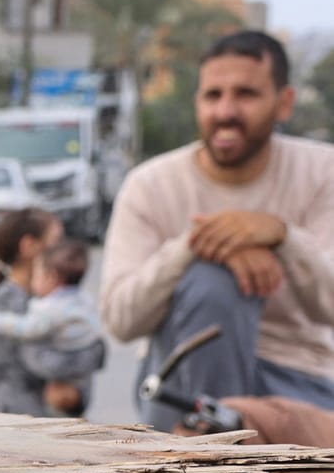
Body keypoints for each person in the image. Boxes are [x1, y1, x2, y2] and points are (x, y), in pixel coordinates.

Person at [101, 30, 334, 427]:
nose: (226, 111)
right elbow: (121, 320)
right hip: (181, 385)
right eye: (213, 96)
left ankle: (212, 455)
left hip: (295, 380)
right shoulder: (150, 185)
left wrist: (281, 236)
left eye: (246, 94)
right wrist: (197, 246)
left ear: (285, 103)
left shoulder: (323, 172)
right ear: (197, 103)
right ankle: (212, 455)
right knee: (211, 280)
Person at [0, 237, 103, 417]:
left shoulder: (50, 308)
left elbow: (28, 330)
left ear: (51, 277)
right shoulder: (82, 299)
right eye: (54, 238)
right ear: (28, 246)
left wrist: (1, 322)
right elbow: (42, 362)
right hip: (24, 412)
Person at [0, 206, 63, 416]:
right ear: (29, 246)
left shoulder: (35, 297)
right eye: (56, 243)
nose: (64, 251)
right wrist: (91, 353)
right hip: (12, 417)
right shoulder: (9, 301)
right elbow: (42, 362)